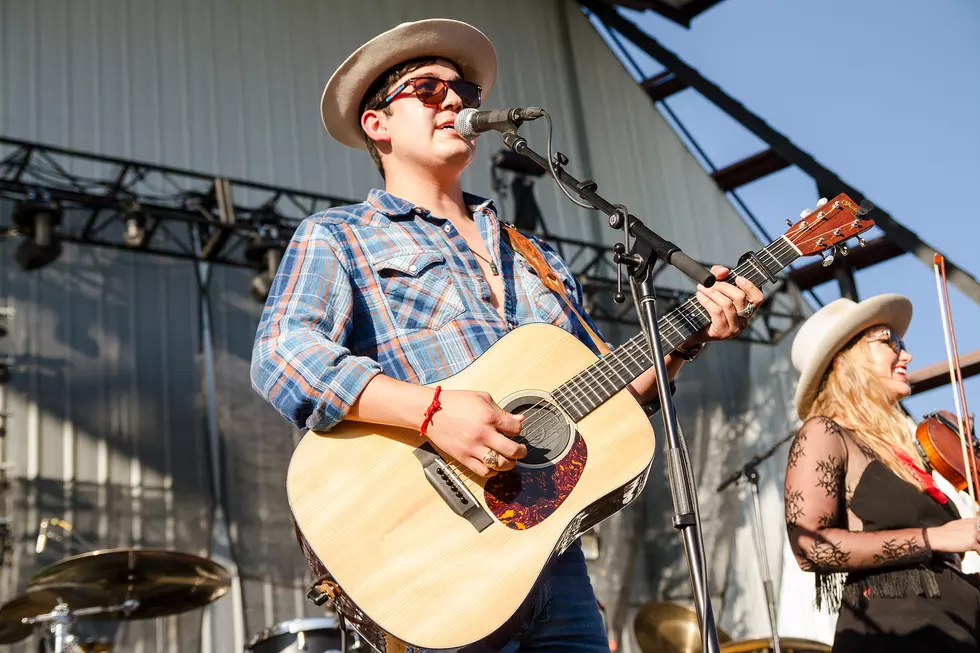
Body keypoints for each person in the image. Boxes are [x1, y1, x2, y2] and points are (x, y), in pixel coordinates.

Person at [251, 18, 764, 652]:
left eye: (462, 88)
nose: (456, 99)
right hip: (433, 564)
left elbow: (607, 401)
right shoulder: (339, 236)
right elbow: (283, 356)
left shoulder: (534, 255)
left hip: (553, 563)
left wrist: (686, 336)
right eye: (427, 88)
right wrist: (432, 411)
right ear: (376, 124)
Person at [785, 294, 980, 652]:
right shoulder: (825, 433)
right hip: (897, 633)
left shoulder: (902, 450)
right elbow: (809, 546)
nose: (905, 354)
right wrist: (935, 538)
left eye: (900, 342)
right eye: (888, 342)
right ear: (845, 361)